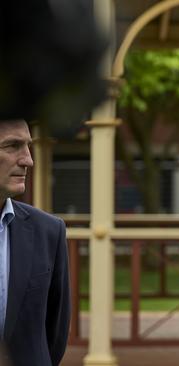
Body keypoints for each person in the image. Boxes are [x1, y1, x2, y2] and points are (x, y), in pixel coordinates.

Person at [0, 120, 70, 366]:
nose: (28, 160)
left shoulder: (49, 231)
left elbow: (56, 333)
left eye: (28, 146)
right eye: (12, 146)